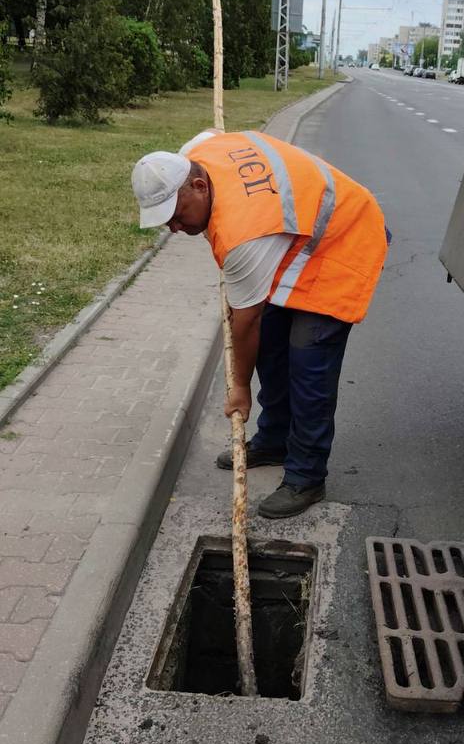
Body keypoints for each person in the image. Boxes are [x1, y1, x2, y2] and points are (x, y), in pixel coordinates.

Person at [131, 130, 388, 518]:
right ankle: (275, 439)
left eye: (177, 215)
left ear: (200, 186)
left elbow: (244, 322)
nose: (174, 229)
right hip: (296, 242)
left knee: (307, 361)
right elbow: (215, 135)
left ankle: (306, 476)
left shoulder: (242, 236)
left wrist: (238, 390)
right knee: (272, 341)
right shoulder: (196, 151)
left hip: (344, 237)